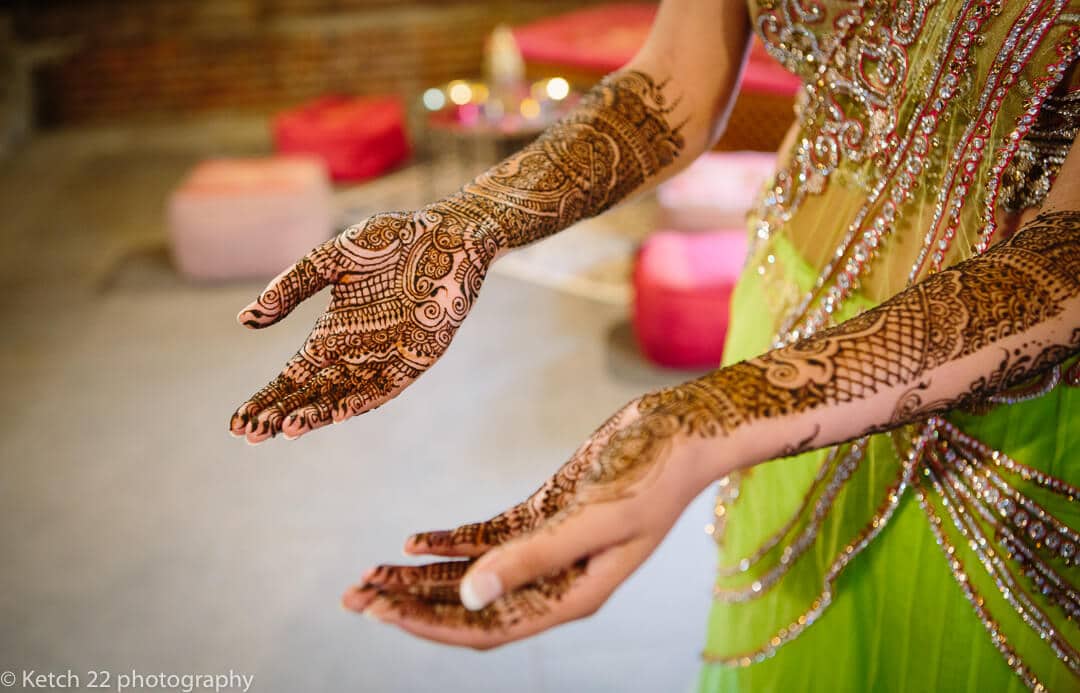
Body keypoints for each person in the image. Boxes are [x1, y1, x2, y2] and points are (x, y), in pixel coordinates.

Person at [229, 1, 1080, 689]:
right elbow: (673, 78)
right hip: (785, 319)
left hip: (1013, 402)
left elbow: (1067, 251)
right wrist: (465, 226)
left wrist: (696, 422)